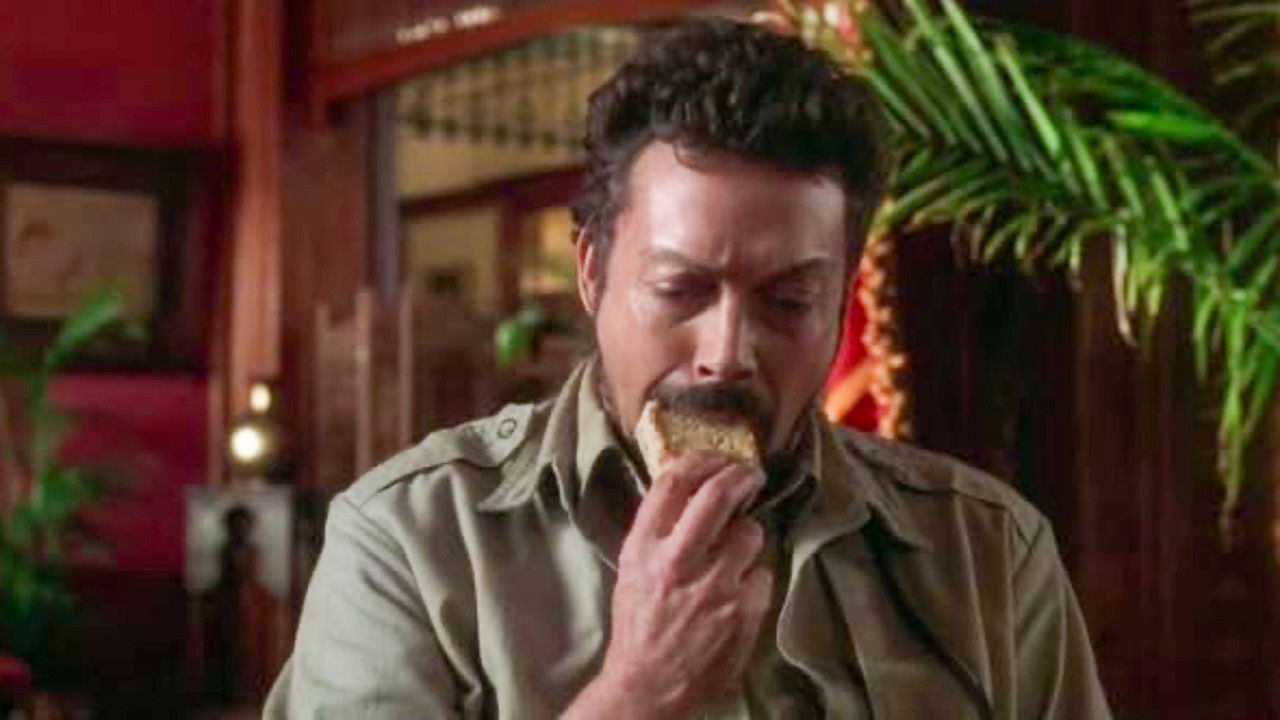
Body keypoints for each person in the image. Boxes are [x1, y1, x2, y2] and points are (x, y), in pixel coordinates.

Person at [265, 18, 1112, 719]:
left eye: (789, 302)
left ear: (841, 299)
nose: (727, 353)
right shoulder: (409, 541)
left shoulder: (987, 551)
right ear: (592, 272)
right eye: (680, 290)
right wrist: (636, 693)